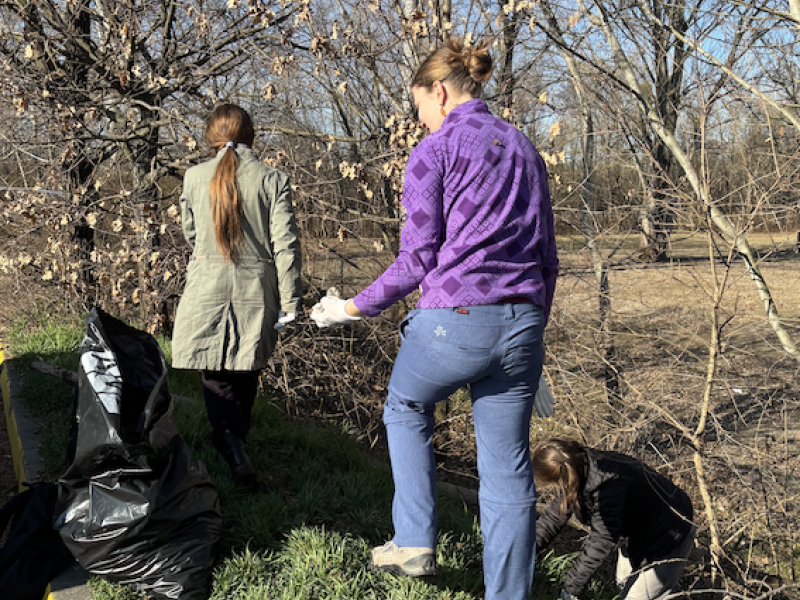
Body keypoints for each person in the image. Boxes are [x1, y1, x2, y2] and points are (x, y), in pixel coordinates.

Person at [311, 38, 558, 600]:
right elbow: (548, 259)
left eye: (419, 105)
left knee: (405, 405)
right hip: (523, 323)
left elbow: (415, 260)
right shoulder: (524, 149)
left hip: (456, 319)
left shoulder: (435, 150)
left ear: (439, 92)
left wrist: (349, 308)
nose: (419, 118)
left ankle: (414, 541)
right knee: (507, 471)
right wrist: (532, 340)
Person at [172, 104, 302, 491]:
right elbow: (286, 247)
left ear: (210, 136)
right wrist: (290, 301)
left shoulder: (194, 177)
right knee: (247, 365)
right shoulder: (273, 179)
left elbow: (191, 233)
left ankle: (229, 441)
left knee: (214, 370)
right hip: (255, 288)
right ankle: (235, 442)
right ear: (251, 135)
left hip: (206, 283)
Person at [532, 438, 696, 600]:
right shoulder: (578, 466)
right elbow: (553, 518)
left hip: (669, 532)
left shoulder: (608, 486)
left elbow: (601, 540)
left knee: (636, 597)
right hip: (637, 530)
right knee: (622, 584)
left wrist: (571, 589)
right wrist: (527, 551)